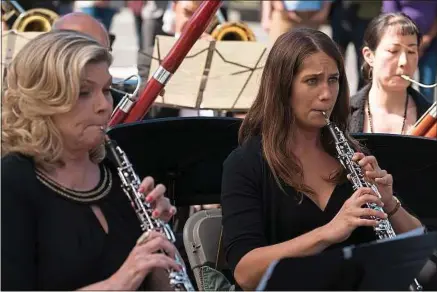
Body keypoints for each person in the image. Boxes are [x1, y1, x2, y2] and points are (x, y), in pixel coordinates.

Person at [220, 28, 423, 291]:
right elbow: (246, 274)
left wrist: (389, 203)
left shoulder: (354, 156)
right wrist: (329, 232)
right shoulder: (246, 164)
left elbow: (417, 246)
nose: (327, 94)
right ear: (283, 87)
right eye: (312, 81)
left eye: (333, 79)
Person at [1, 30, 182, 291]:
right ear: (42, 101)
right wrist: (119, 282)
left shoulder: (116, 173)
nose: (104, 106)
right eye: (84, 92)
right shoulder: (11, 183)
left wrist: (159, 243)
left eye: (107, 90)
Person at [349, 13, 432, 134]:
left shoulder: (430, 118)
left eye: (411, 51)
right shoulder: (341, 115)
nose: (404, 62)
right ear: (369, 56)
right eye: (393, 51)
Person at [382, 1, 437, 103]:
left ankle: (425, 116)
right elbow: (390, 15)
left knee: (427, 87)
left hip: (430, 43)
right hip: (401, 42)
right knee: (401, 85)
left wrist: (427, 38)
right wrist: (409, 45)